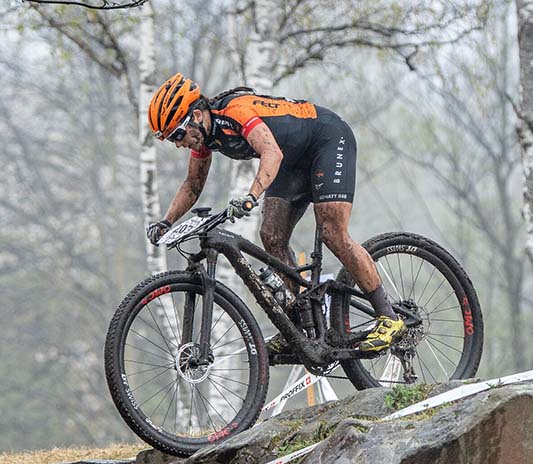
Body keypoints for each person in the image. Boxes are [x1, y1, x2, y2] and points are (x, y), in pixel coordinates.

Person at [145, 73, 404, 355]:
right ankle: (302, 328)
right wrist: (166, 221)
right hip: (290, 159)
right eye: (172, 140)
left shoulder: (235, 111)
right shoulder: (205, 138)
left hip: (326, 140)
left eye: (177, 135)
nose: (179, 144)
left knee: (332, 232)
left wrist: (252, 195)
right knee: (271, 235)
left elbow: (270, 153)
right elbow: (193, 185)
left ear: (196, 115)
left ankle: (388, 317)